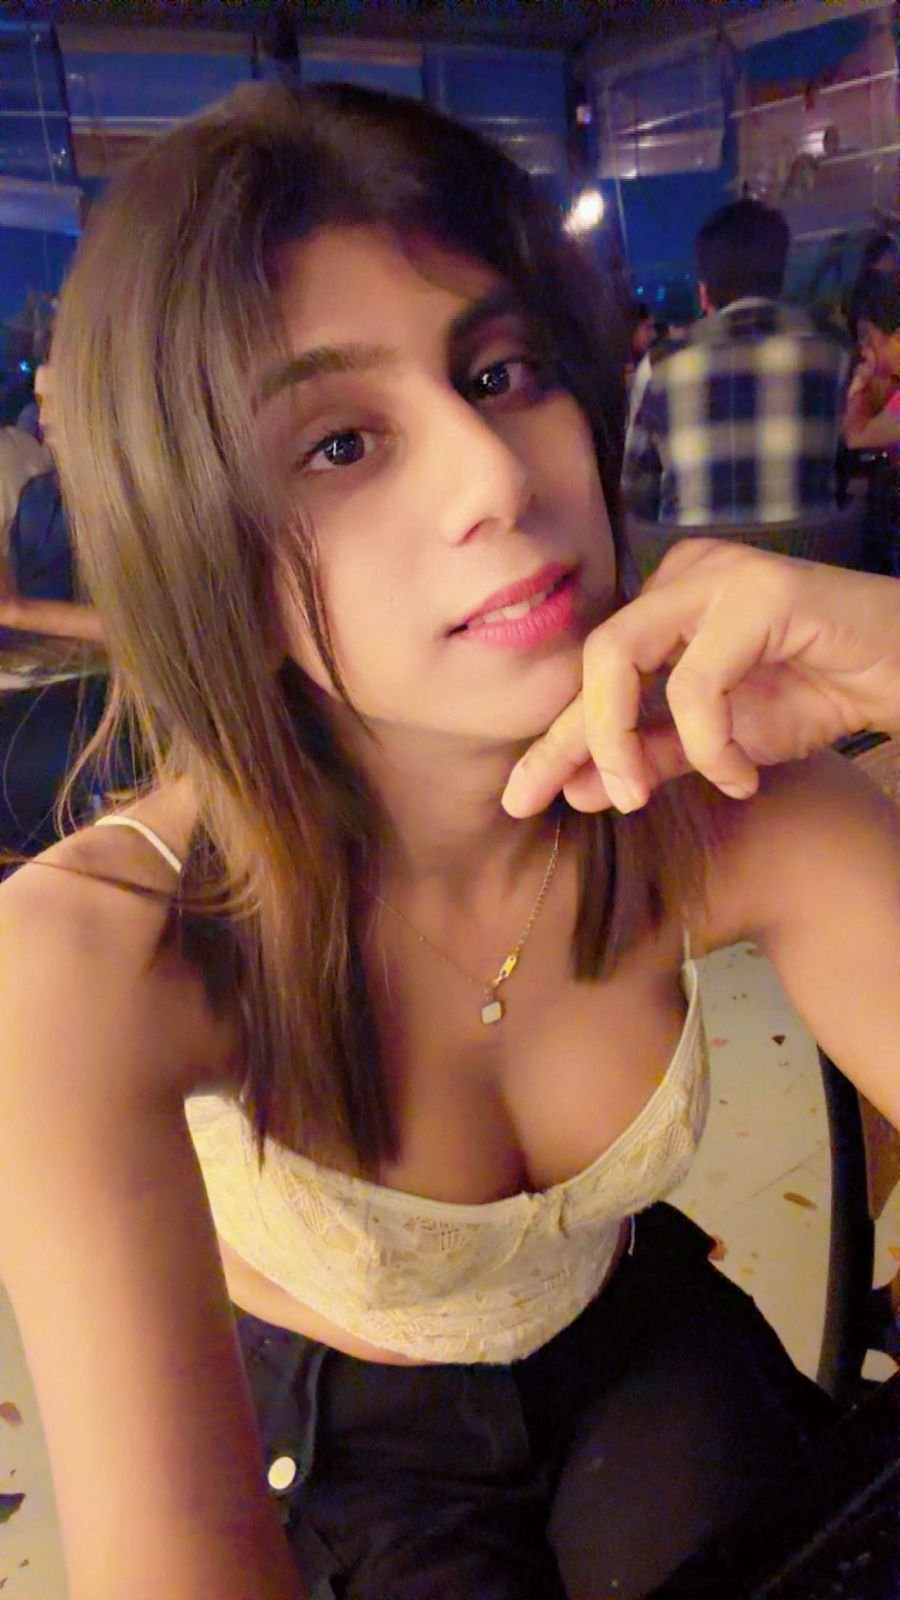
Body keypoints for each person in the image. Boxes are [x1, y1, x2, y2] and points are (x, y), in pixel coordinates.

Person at [0, 84, 896, 1600]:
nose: (497, 476)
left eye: (499, 371)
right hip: (346, 1423)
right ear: (203, 548)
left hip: (622, 1323)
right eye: (342, 443)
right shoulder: (93, 957)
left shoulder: (721, 790)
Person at [622, 198, 852, 526]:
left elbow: (636, 491)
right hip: (811, 556)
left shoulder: (660, 365)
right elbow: (843, 464)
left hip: (694, 557)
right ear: (781, 278)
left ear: (704, 292)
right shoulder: (834, 350)